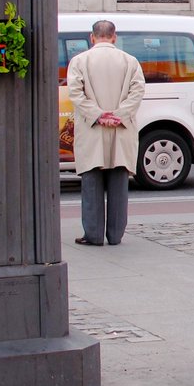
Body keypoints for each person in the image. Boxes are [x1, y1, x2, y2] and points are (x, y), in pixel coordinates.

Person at [66, 20, 145, 246]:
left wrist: (99, 115)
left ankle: (93, 233)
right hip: (121, 129)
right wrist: (119, 115)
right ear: (114, 36)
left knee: (91, 183)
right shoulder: (130, 61)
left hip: (92, 130)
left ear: (92, 37)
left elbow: (76, 94)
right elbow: (137, 91)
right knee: (119, 184)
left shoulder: (79, 61)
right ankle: (116, 234)